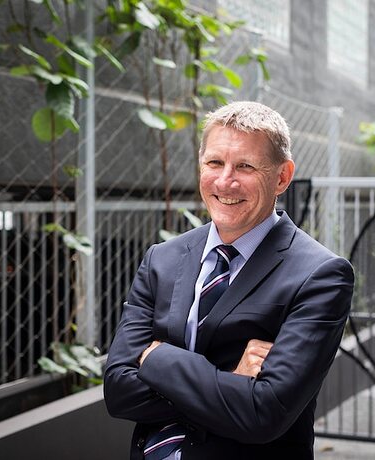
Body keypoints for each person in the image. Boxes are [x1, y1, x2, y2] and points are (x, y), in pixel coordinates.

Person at [104, 101, 354, 459]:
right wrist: (230, 377)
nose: (225, 181)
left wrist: (157, 361)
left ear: (282, 177)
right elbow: (118, 392)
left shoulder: (321, 275)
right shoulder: (162, 258)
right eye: (214, 163)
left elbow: (262, 414)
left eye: (246, 166)